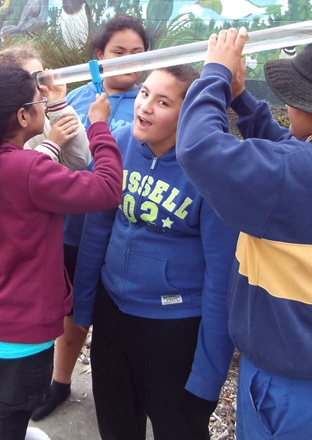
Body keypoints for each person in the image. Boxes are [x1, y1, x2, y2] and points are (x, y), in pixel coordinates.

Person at [176, 30, 312, 439]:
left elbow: (199, 148)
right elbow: (287, 154)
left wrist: (215, 73)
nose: (287, 103)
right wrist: (241, 98)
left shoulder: (299, 172)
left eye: (293, 96)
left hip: (297, 384)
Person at [0, 66, 123, 440]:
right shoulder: (28, 167)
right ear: (22, 117)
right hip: (23, 331)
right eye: (39, 102)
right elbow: (107, 189)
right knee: (10, 422)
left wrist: (56, 106)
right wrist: (100, 127)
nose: (43, 106)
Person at [72, 65, 238, 440]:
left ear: (190, 113)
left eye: (162, 102)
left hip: (173, 326)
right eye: (145, 93)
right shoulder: (119, 144)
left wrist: (209, 373)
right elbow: (96, 228)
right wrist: (83, 306)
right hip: (113, 312)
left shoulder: (211, 172)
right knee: (115, 424)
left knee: (177, 427)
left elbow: (221, 277)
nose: (144, 106)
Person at [32, 14, 153, 421]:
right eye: (118, 52)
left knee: (106, 314)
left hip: (115, 235)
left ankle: (120, 391)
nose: (128, 60)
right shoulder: (76, 98)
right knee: (65, 310)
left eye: (137, 53)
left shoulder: (148, 105)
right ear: (99, 56)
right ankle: (57, 381)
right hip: (67, 229)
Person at [0, 45, 90, 171]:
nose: (43, 86)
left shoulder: (39, 120)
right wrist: (52, 145)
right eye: (34, 79)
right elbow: (21, 172)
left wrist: (59, 107)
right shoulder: (3, 131)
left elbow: (79, 161)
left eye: (42, 77)